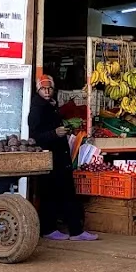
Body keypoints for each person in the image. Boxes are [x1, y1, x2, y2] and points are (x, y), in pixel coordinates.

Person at [28, 74, 98, 242]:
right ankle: (52, 229)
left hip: (59, 157)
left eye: (49, 88)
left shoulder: (51, 104)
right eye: (43, 88)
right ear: (38, 90)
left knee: (65, 193)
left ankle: (74, 230)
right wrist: (54, 133)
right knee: (51, 194)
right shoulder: (37, 107)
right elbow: (33, 135)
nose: (47, 91)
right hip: (50, 157)